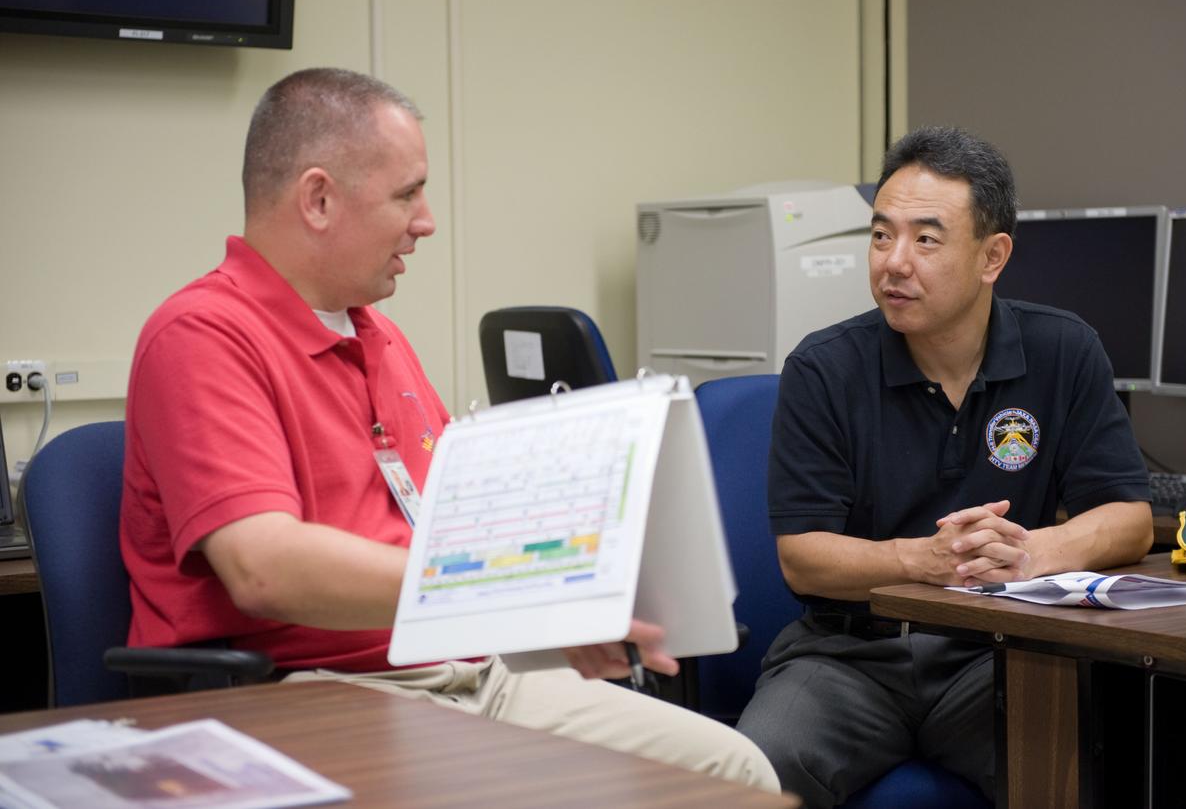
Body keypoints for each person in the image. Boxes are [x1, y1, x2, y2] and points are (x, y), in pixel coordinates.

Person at [119, 67, 778, 792]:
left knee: (736, 771)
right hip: (315, 688)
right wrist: (509, 597)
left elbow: (457, 531)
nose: (426, 219)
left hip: (471, 670)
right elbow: (264, 567)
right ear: (318, 199)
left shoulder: (381, 336)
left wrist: (576, 577)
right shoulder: (201, 336)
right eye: (407, 193)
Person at [735, 125, 1153, 806]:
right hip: (849, 656)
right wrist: (923, 560)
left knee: (1096, 758)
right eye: (880, 235)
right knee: (755, 769)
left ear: (993, 256)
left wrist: (1032, 551)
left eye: (925, 239)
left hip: (997, 651)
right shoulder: (823, 368)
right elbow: (803, 558)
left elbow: (1130, 517)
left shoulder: (1064, 350)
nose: (893, 262)